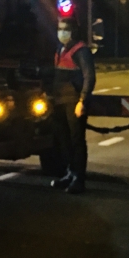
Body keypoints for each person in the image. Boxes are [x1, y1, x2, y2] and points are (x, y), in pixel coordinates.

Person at [50, 17, 96, 194]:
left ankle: (79, 178)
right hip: (60, 101)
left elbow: (89, 76)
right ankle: (70, 173)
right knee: (64, 140)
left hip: (74, 101)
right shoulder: (60, 49)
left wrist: (82, 101)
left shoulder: (81, 51)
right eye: (60, 29)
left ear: (73, 32)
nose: (61, 32)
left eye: (65, 29)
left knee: (77, 140)